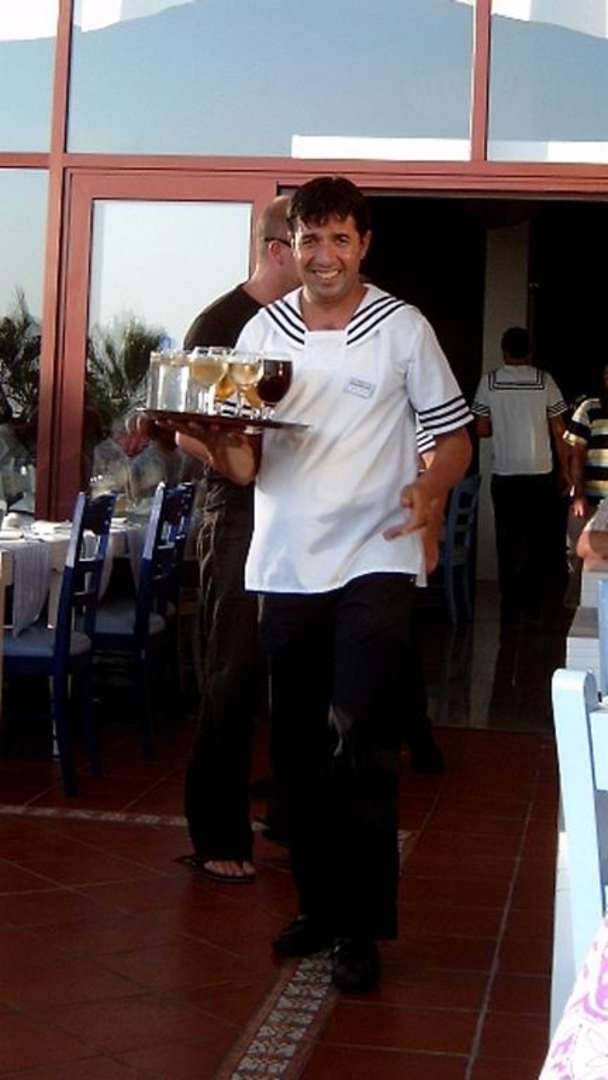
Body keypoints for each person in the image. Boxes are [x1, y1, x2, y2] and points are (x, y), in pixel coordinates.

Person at [175, 176, 471, 993]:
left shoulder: (402, 328)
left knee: (361, 734)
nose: (325, 254)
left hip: (377, 554)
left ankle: (361, 928)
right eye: (311, 239)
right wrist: (204, 437)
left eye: (341, 239)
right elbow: (245, 463)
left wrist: (431, 488)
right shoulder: (263, 331)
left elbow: (452, 436)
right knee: (299, 745)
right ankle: (318, 904)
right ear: (291, 246)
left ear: (363, 245)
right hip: (287, 562)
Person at [180, 196, 300, 884]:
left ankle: (290, 814)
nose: (320, 260)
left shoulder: (309, 325)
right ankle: (216, 832)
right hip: (236, 514)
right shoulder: (221, 323)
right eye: (306, 244)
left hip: (300, 513)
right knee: (232, 670)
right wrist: (235, 463)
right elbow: (182, 429)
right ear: (277, 249)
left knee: (298, 667)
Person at [472, 327, 569, 625]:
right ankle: (535, 601)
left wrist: (504, 424)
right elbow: (559, 430)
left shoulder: (490, 381)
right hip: (540, 472)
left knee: (507, 538)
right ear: (530, 352)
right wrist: (565, 470)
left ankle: (510, 602)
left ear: (504, 352)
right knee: (539, 539)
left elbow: (481, 429)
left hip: (505, 473)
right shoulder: (544, 380)